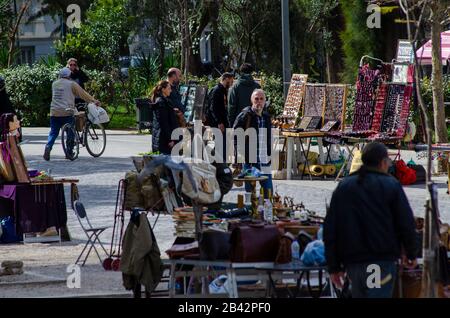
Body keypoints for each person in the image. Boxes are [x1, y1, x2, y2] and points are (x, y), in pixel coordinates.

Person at [323, 142, 418, 298]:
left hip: (353, 262)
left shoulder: (345, 186)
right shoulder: (391, 185)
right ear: (382, 162)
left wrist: (333, 266)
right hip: (379, 261)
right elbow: (406, 223)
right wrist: (411, 253)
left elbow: (331, 229)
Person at [44, 68, 100, 161]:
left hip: (54, 112)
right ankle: (69, 152)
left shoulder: (54, 84)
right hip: (67, 111)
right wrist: (94, 101)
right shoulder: (71, 84)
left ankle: (48, 147)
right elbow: (83, 94)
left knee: (53, 132)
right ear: (69, 75)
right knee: (70, 131)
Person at [233, 89, 272, 198]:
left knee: (268, 192)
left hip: (264, 160)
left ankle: (266, 213)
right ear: (252, 100)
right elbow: (235, 136)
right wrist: (238, 158)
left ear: (265, 101)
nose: (259, 101)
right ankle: (250, 212)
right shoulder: (245, 115)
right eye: (256, 99)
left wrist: (269, 153)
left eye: (261, 99)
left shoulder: (266, 117)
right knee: (250, 194)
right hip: (249, 160)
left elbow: (268, 137)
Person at [205, 72, 234, 162]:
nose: (232, 83)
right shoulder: (217, 90)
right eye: (230, 81)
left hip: (222, 121)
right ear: (225, 79)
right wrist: (219, 122)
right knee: (221, 145)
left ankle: (221, 164)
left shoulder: (223, 90)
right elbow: (213, 108)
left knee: (223, 144)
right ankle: (221, 165)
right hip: (218, 123)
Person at [150, 80, 179, 155]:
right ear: (163, 89)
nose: (171, 90)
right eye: (169, 88)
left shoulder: (164, 101)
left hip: (163, 138)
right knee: (165, 163)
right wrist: (170, 139)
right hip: (164, 140)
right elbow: (164, 123)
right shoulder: (161, 103)